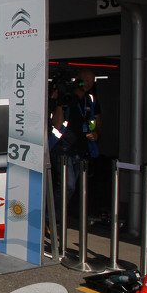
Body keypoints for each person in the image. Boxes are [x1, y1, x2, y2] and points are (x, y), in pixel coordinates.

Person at [50, 68, 102, 220]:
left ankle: (57, 217)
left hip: (81, 150)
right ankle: (53, 219)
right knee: (68, 185)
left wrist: (96, 133)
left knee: (74, 188)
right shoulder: (63, 96)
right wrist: (60, 102)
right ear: (77, 78)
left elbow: (98, 123)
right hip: (61, 149)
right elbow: (57, 124)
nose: (88, 84)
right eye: (85, 80)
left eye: (92, 81)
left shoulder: (91, 99)